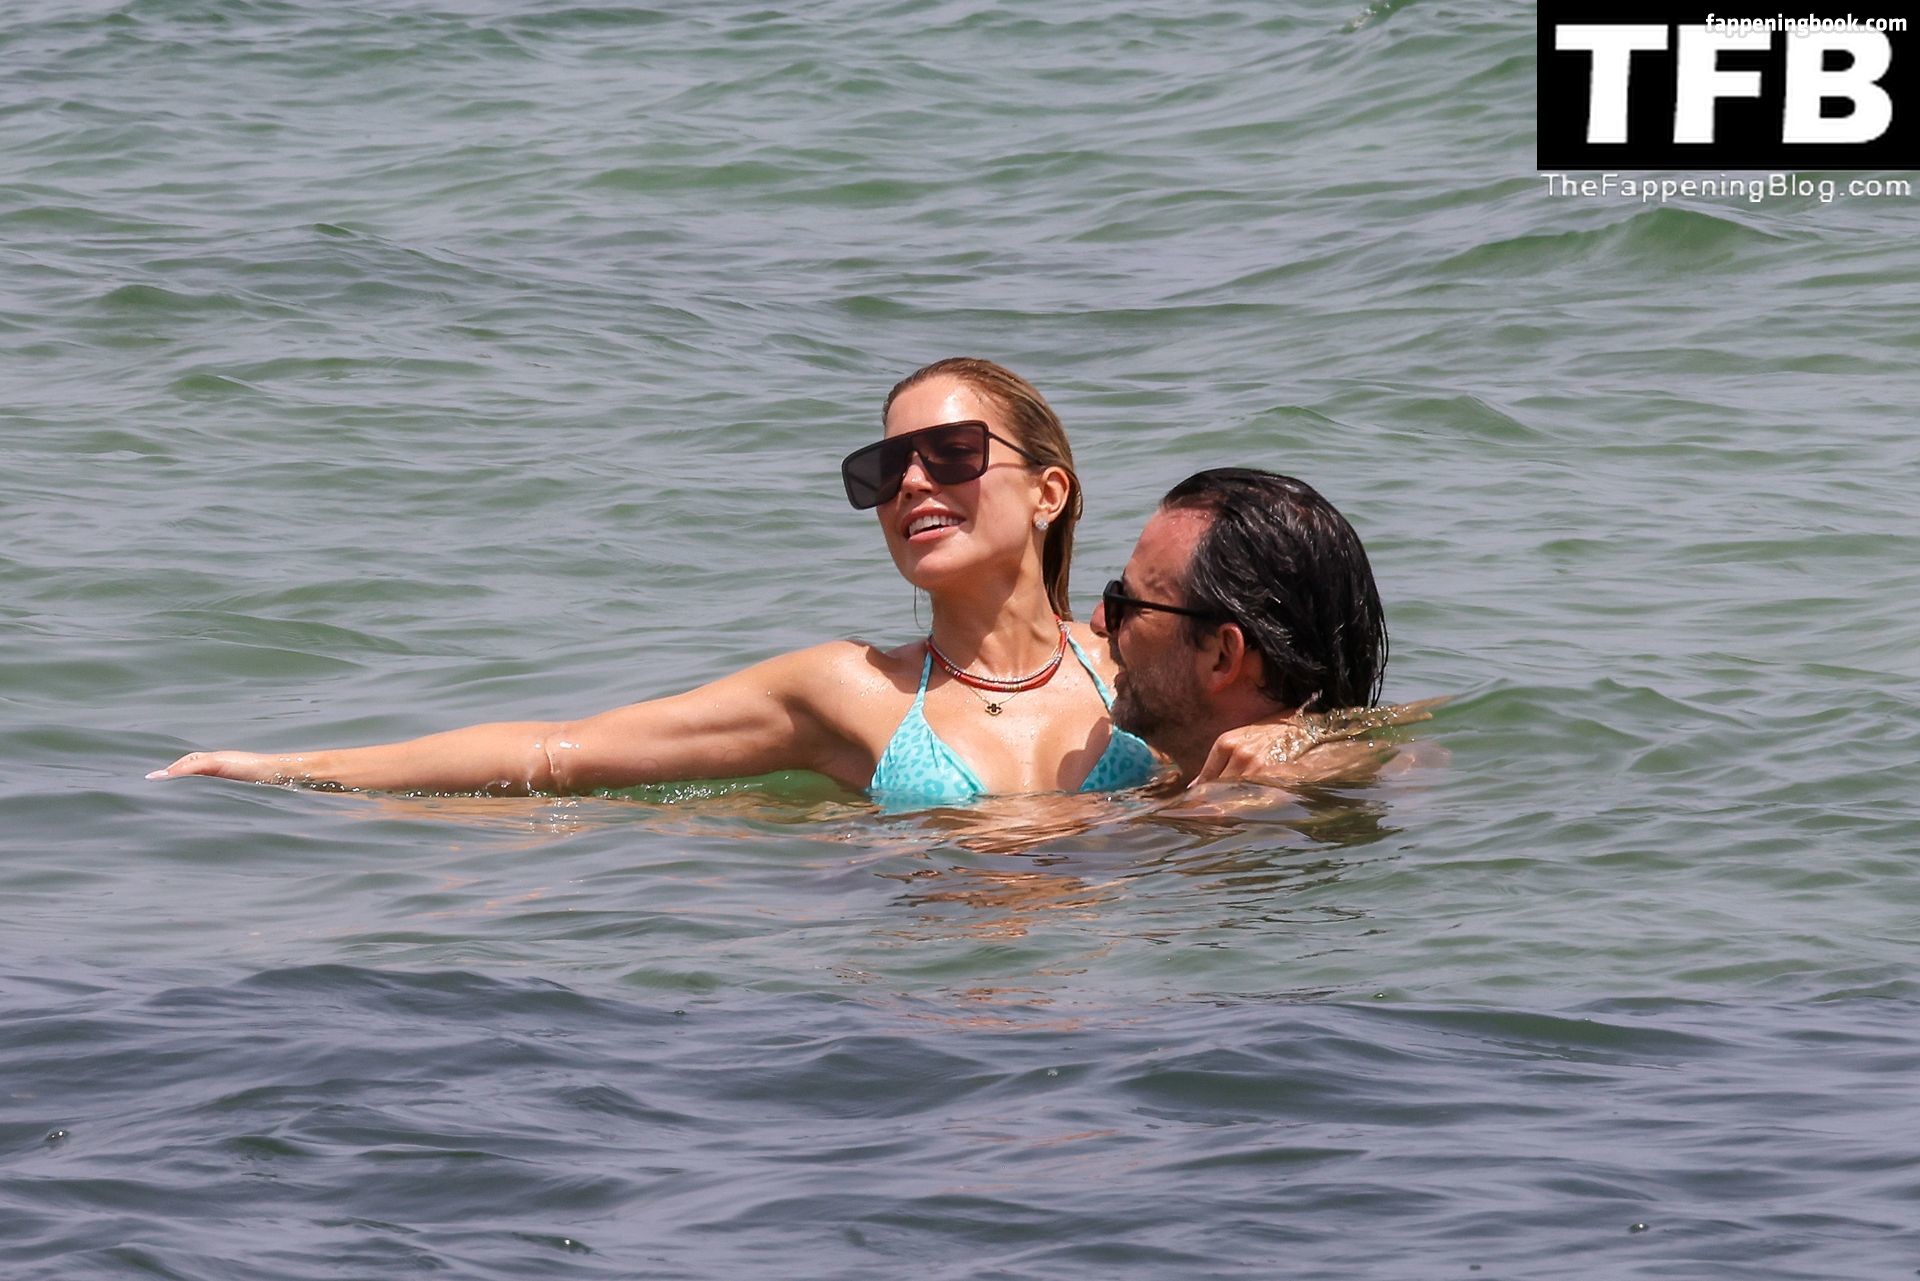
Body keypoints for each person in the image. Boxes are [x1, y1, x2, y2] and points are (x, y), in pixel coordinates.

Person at [152, 360, 1307, 805]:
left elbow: (1348, 732)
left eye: (951, 453)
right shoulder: (849, 693)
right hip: (922, 1032)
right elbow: (558, 752)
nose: (912, 483)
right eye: (883, 469)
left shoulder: (1138, 670)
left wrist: (1309, 750)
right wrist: (288, 768)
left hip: (1112, 1030)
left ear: (1048, 492)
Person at [1092, 467, 1412, 788]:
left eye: (1129, 603)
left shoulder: (1282, 802)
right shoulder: (1160, 789)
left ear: (1222, 655)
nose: (1100, 621)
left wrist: (1325, 755)